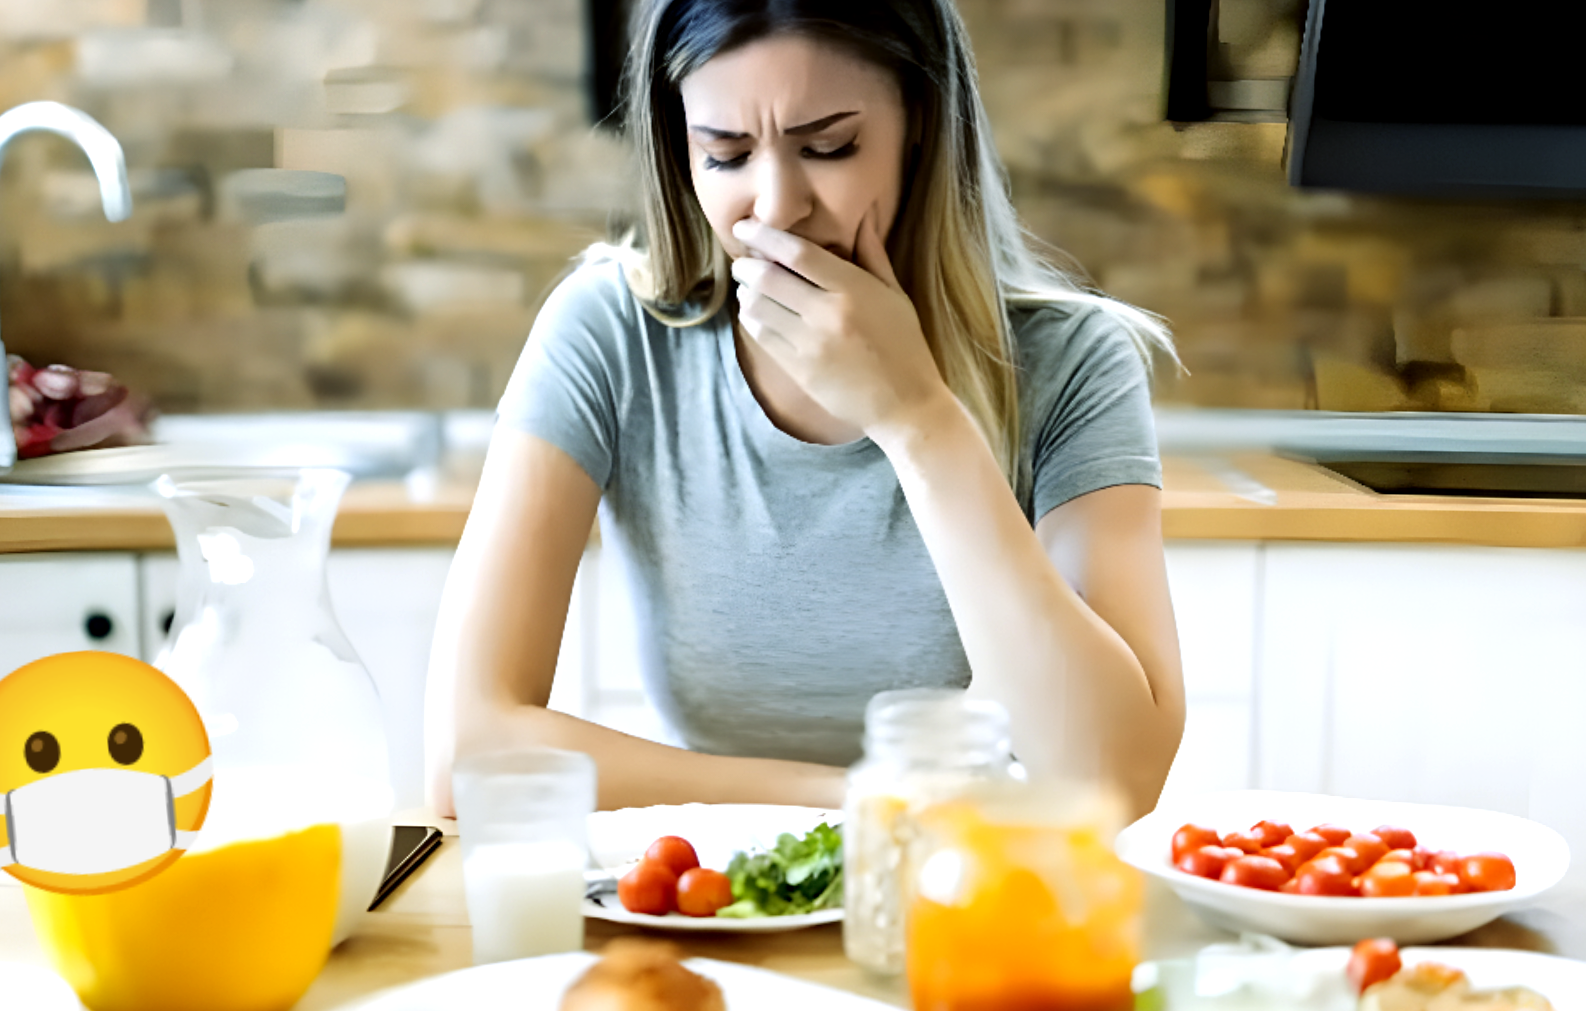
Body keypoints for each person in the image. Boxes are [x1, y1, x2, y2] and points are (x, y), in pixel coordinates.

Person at [426, 0, 1185, 817]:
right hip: (722, 901)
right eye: (725, 157)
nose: (777, 205)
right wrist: (865, 801)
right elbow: (465, 754)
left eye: (828, 146)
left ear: (920, 123)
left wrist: (918, 419)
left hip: (963, 903)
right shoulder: (611, 332)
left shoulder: (1074, 361)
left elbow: (1115, 782)